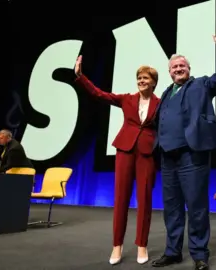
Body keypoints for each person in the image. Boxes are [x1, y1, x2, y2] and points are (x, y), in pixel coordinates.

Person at [151, 28, 216, 270]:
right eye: (174, 67)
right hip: (168, 157)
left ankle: (199, 253)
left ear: (189, 68)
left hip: (192, 154)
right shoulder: (165, 93)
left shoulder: (201, 85)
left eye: (182, 66)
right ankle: (173, 252)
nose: (178, 69)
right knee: (172, 208)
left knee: (196, 206)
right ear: (169, 72)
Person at [74, 55, 160, 266]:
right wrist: (80, 76)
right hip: (125, 149)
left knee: (145, 200)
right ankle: (117, 246)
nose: (141, 80)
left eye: (146, 78)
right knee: (121, 198)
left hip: (147, 153)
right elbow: (99, 95)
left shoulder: (161, 103)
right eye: (139, 77)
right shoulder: (126, 99)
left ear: (154, 82)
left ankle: (142, 245)